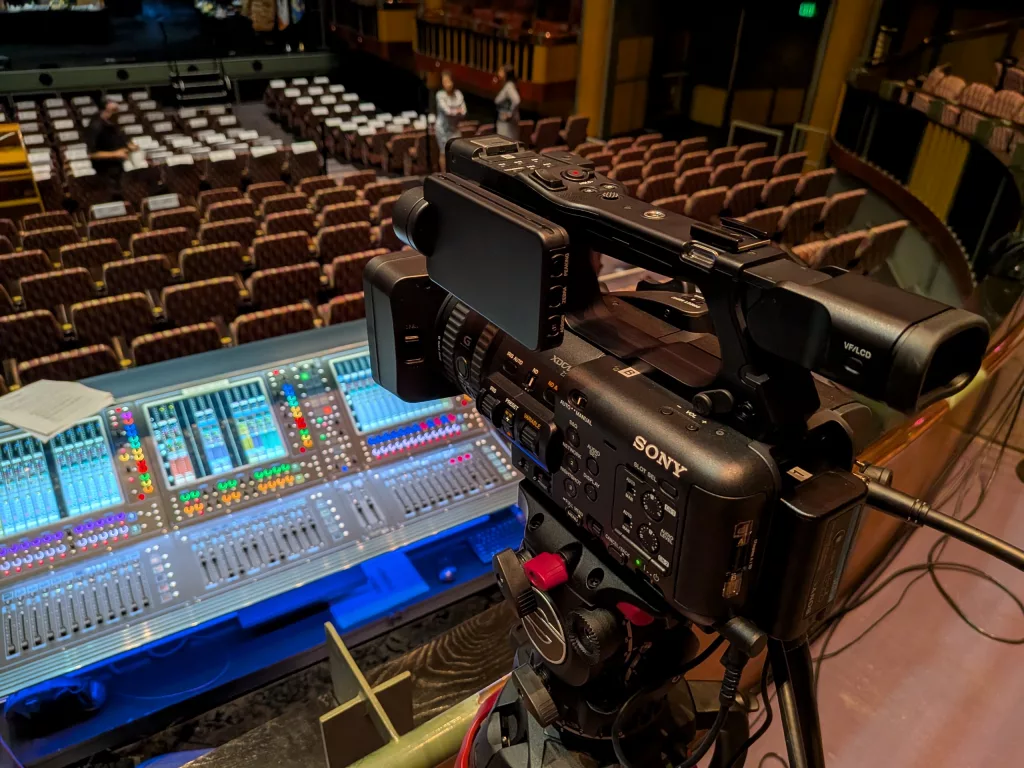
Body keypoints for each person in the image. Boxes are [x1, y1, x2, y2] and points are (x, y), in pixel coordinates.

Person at [85, 99, 135, 200]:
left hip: (118, 169)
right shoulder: (96, 127)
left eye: (117, 110)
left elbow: (119, 142)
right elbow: (92, 154)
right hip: (104, 173)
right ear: (105, 112)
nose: (117, 114)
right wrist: (115, 154)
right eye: (114, 110)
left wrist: (128, 146)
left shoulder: (113, 124)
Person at [435, 70, 466, 169]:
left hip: (454, 128)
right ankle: (444, 175)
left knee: (457, 152)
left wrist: (455, 111)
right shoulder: (440, 95)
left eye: (449, 81)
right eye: (445, 82)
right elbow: (447, 112)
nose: (447, 84)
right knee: (443, 152)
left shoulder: (458, 94)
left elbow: (464, 112)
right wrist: (457, 110)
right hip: (442, 128)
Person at [494, 64, 521, 141]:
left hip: (507, 125)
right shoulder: (509, 85)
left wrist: (509, 113)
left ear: (506, 74)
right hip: (506, 123)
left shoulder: (509, 86)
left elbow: (516, 100)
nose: (498, 73)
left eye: (501, 71)